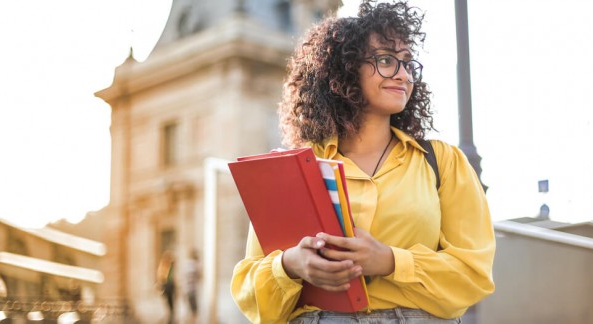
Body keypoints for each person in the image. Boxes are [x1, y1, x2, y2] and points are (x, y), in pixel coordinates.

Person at [231, 1, 495, 323]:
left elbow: (475, 273)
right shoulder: (295, 169)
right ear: (346, 68)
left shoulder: (442, 162)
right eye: (386, 60)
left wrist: (389, 261)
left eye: (408, 63)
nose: (402, 74)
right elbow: (249, 290)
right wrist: (290, 265)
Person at [181, 249, 201, 321]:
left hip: (186, 290)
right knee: (194, 311)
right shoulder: (195, 265)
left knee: (188, 310)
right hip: (192, 290)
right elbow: (200, 276)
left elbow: (182, 278)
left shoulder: (185, 264)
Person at [157, 250, 176, 324]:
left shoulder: (170, 266)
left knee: (171, 304)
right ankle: (169, 319)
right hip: (167, 286)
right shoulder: (163, 266)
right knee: (169, 304)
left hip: (170, 286)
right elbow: (161, 277)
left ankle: (170, 319)